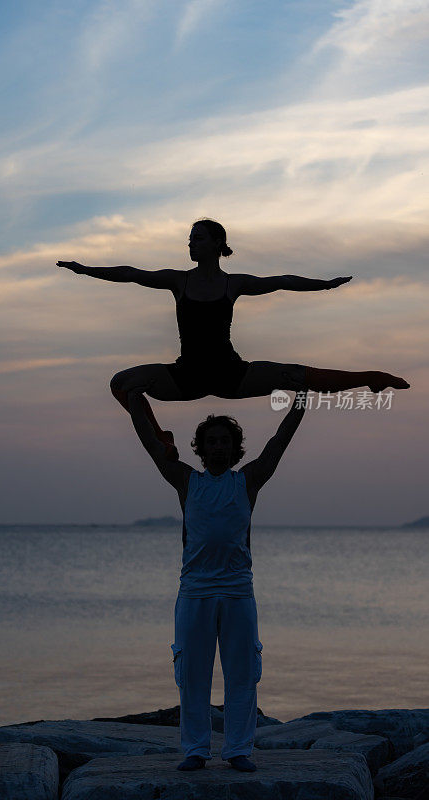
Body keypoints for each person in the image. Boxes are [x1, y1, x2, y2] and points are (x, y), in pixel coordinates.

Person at [57, 218, 409, 461]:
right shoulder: (178, 281)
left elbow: (282, 280)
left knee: (296, 375)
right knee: (121, 383)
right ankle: (162, 438)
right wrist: (86, 270)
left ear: (216, 244)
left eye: (197, 237)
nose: (190, 243)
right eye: (189, 238)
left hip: (230, 373)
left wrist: (324, 285)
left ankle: (372, 379)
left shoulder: (233, 283)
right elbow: (132, 274)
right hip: (187, 376)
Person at [126, 380, 308, 772]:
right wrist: (132, 403)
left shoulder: (248, 481)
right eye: (212, 441)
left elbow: (279, 441)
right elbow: (151, 445)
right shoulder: (187, 481)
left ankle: (239, 750)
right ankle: (195, 750)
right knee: (192, 677)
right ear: (202, 448)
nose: (219, 447)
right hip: (194, 593)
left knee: (243, 677)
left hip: (239, 593)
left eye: (225, 441)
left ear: (235, 447)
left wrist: (303, 398)